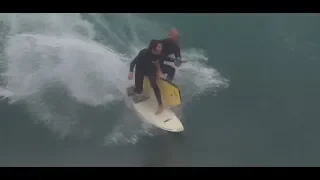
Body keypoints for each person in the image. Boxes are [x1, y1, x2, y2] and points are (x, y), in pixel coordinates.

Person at [128, 40, 164, 115]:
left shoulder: (159, 54)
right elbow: (133, 62)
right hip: (140, 69)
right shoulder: (143, 53)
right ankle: (136, 89)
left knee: (154, 85)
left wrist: (177, 60)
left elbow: (167, 58)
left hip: (150, 69)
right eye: (159, 47)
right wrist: (131, 72)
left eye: (161, 46)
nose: (161, 48)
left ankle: (160, 105)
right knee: (139, 91)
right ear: (153, 48)